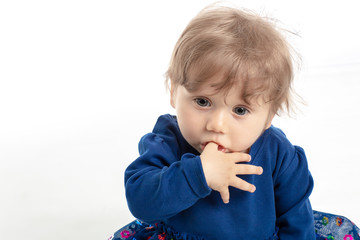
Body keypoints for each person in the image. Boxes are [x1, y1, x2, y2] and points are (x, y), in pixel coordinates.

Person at [108, 4, 360, 240]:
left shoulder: (278, 153)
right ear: (174, 91)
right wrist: (198, 175)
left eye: (240, 110)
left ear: (268, 117)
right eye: (203, 102)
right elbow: (141, 203)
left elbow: (296, 220)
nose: (217, 124)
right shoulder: (167, 141)